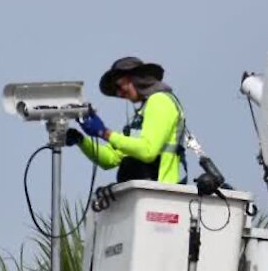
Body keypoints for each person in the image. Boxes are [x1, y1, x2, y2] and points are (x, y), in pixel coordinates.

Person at [69, 56, 187, 184]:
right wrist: (80, 140)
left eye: (119, 86)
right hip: (143, 194)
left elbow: (148, 151)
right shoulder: (140, 117)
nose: (119, 94)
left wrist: (105, 133)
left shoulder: (160, 101)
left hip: (160, 194)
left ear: (136, 78)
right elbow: (109, 159)